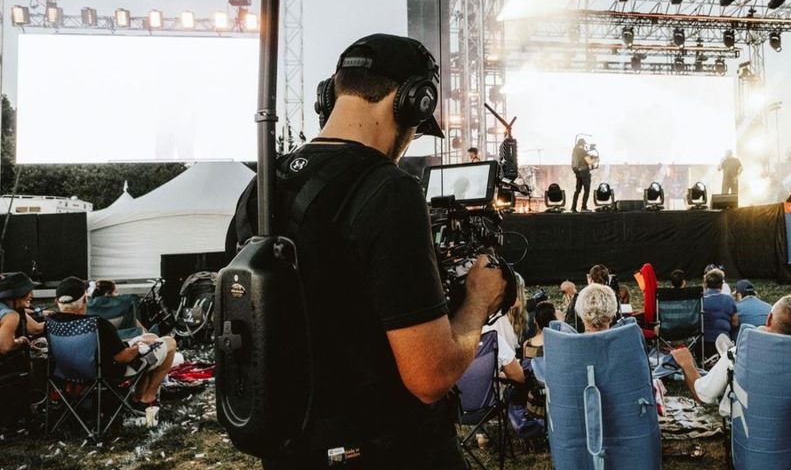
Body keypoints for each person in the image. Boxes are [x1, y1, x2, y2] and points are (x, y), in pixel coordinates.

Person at [229, 34, 506, 470]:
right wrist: (477, 301)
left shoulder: (259, 191)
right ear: (411, 101)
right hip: (387, 450)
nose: (410, 139)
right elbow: (430, 376)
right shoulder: (388, 190)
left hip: (292, 450)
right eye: (417, 127)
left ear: (331, 94)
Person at [671, 295, 791, 470]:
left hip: (760, 453)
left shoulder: (742, 352)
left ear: (769, 319)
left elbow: (704, 395)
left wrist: (687, 364)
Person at [49, 277, 177, 408]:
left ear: (56, 301)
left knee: (148, 340)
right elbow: (123, 357)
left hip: (67, 373)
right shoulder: (98, 324)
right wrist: (136, 346)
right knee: (169, 343)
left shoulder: (50, 324)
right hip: (107, 373)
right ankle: (147, 398)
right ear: (85, 300)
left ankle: (138, 396)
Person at [564, 265, 621, 332]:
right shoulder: (613, 296)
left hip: (582, 335)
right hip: (609, 334)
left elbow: (569, 322)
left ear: (590, 278)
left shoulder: (579, 296)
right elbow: (617, 318)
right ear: (608, 278)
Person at [0, 272, 42, 357]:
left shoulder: (6, 309)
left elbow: (35, 329)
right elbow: (5, 347)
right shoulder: (11, 316)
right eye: (28, 292)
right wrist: (21, 340)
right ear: (17, 294)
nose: (32, 296)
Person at [701, 268, 738, 351]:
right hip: (723, 344)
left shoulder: (700, 300)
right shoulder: (729, 299)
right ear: (721, 285)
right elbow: (735, 323)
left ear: (705, 285)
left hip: (702, 343)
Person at [571, 137, 594, 212]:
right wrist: (595, 159)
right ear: (583, 144)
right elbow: (589, 162)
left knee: (577, 190)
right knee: (587, 190)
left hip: (578, 172)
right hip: (584, 172)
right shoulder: (583, 152)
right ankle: (584, 207)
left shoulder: (575, 151)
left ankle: (573, 208)